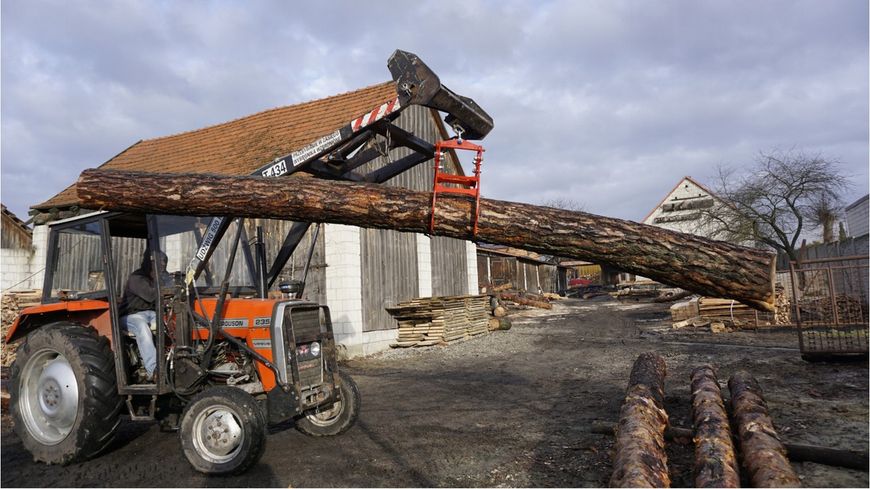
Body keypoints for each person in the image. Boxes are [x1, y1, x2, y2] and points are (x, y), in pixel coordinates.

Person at [119, 250, 170, 382]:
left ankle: (172, 363)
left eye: (164, 260)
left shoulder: (163, 277)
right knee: (142, 327)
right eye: (160, 261)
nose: (163, 263)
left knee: (171, 323)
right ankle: (154, 370)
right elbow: (151, 295)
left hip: (153, 314)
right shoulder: (137, 278)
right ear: (150, 262)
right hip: (131, 315)